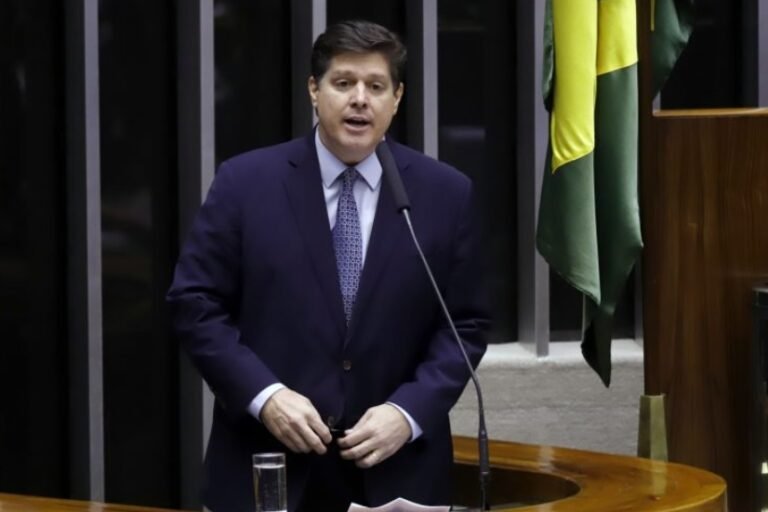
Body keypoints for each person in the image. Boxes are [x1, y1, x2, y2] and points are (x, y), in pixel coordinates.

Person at [167, 20, 489, 512]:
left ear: (397, 98)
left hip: (395, 472)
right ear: (314, 91)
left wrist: (407, 413)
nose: (360, 99)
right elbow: (194, 304)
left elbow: (465, 324)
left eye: (376, 86)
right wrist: (265, 396)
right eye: (343, 83)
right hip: (268, 464)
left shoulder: (445, 194)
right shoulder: (245, 183)